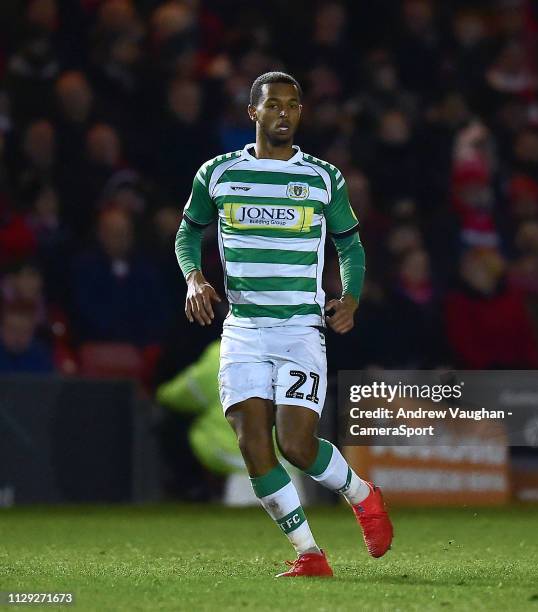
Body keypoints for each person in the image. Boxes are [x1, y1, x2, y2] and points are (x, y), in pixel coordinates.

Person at [175, 72, 393, 577]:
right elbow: (187, 236)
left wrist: (351, 297)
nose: (284, 113)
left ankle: (363, 495)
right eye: (273, 104)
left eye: (293, 106)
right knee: (254, 444)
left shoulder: (322, 177)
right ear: (253, 112)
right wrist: (193, 279)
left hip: (299, 329)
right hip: (244, 329)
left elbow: (351, 245)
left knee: (295, 444)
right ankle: (311, 555)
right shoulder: (219, 173)